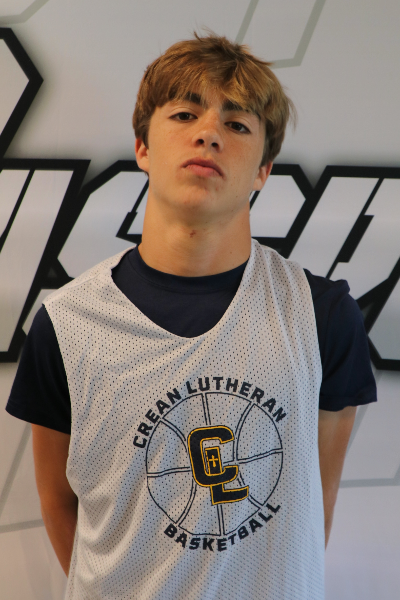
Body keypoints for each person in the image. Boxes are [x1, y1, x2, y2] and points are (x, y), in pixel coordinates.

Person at [6, 33, 376, 600]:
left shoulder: (321, 315)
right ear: (142, 147)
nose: (208, 133)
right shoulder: (67, 323)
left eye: (237, 124)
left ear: (263, 169)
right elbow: (59, 502)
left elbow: (311, 506)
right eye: (184, 114)